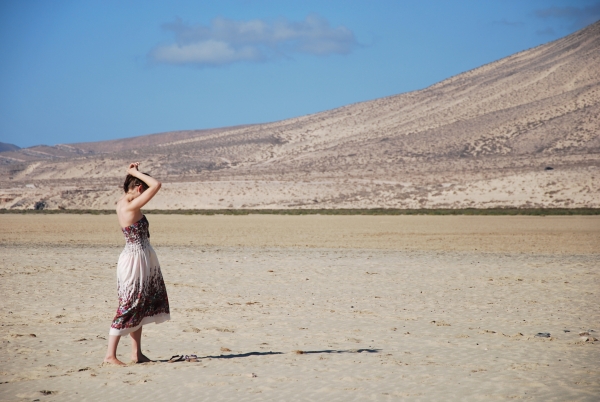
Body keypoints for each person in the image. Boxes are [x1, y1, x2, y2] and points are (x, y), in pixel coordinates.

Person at [103, 162, 170, 365]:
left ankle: (136, 354)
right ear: (139, 188)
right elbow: (156, 184)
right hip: (135, 259)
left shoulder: (121, 202)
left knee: (138, 306)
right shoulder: (131, 205)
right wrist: (134, 172)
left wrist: (133, 175)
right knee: (129, 305)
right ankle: (110, 356)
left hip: (137, 256)